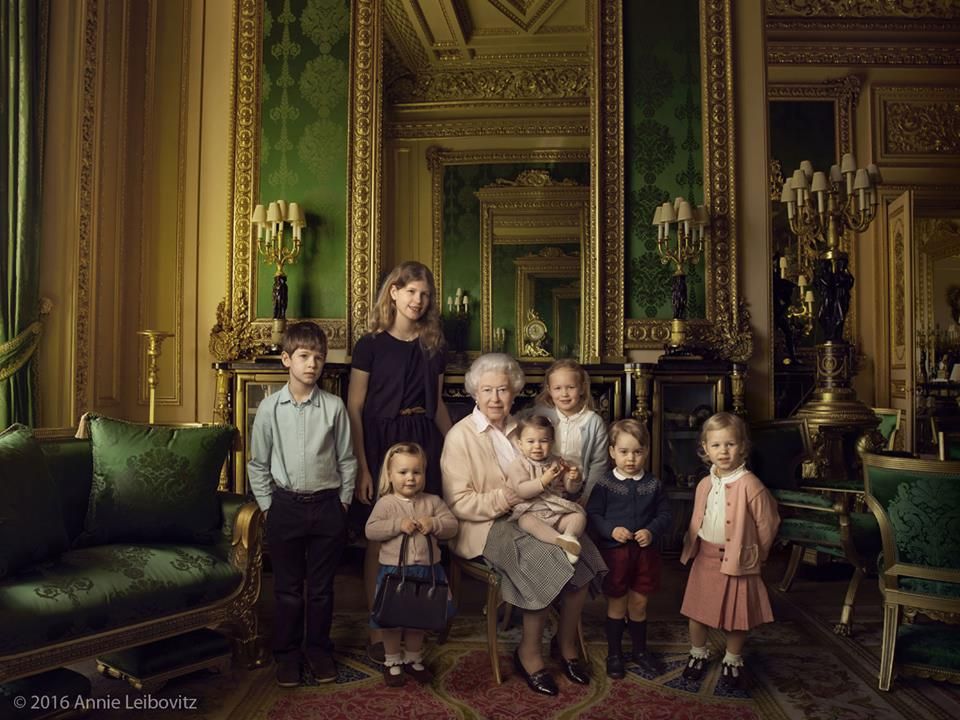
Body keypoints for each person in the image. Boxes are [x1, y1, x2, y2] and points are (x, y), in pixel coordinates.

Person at [441, 353, 607, 696]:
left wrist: (567, 478)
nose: (495, 398)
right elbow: (460, 504)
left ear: (515, 392)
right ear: (474, 393)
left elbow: (549, 480)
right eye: (487, 390)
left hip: (536, 513)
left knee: (584, 552)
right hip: (486, 525)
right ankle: (528, 652)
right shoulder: (461, 437)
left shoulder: (526, 427)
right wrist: (509, 498)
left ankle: (566, 645)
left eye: (503, 390)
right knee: (543, 556)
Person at [347, 261, 453, 664]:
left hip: (422, 438)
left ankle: (421, 616)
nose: (418, 300)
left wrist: (454, 445)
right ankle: (379, 625)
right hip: (380, 442)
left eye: (424, 294)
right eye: (410, 291)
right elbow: (355, 407)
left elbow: (439, 403)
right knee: (382, 537)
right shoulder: (370, 345)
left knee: (425, 531)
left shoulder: (433, 345)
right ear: (393, 292)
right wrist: (362, 465)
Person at [247, 321, 358, 687]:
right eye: (304, 356)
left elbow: (346, 460)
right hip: (286, 507)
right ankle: (288, 655)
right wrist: (267, 506)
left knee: (323, 589)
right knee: (288, 589)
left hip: (327, 507)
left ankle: (319, 650)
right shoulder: (269, 410)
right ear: (286, 360)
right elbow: (258, 463)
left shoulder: (334, 407)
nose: (312, 364)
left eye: (319, 358)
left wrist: (342, 504)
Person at [679, 412, 780, 690]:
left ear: (743, 446)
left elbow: (768, 523)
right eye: (716, 445)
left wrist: (756, 554)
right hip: (705, 557)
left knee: (737, 617)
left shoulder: (751, 484)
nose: (723, 451)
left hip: (738, 560)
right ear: (705, 449)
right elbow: (698, 518)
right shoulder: (704, 484)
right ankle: (698, 653)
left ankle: (732, 659)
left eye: (730, 444)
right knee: (696, 612)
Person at [365, 442, 458, 687]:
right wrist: (397, 525)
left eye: (417, 472)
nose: (410, 478)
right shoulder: (386, 504)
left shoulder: (433, 502)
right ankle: (393, 660)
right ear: (390, 475)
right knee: (392, 620)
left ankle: (413, 658)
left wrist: (434, 524)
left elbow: (452, 525)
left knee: (420, 619)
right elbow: (371, 530)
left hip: (428, 572)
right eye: (403, 472)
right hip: (394, 573)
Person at [587, 418, 671, 680]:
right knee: (617, 603)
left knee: (639, 603)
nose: (631, 458)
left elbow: (666, 513)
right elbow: (594, 514)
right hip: (616, 555)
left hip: (645, 555)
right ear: (612, 452)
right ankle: (614, 653)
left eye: (637, 451)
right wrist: (611, 530)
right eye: (624, 452)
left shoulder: (653, 484)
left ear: (646, 451)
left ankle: (640, 651)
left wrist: (652, 530)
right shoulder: (604, 484)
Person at [505, 415, 587, 563]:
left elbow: (570, 490)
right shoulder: (518, 465)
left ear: (552, 442)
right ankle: (560, 541)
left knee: (579, 517)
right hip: (531, 510)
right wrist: (543, 481)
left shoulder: (558, 462)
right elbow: (522, 491)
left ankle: (570, 536)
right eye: (530, 441)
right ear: (520, 444)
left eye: (543, 441)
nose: (537, 446)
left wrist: (574, 479)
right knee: (525, 522)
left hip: (556, 511)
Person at [528, 359, 609, 503]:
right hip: (545, 485)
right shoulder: (541, 415)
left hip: (580, 488)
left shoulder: (594, 422)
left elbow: (599, 464)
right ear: (549, 390)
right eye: (557, 388)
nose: (564, 394)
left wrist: (586, 497)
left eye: (570, 387)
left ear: (582, 388)